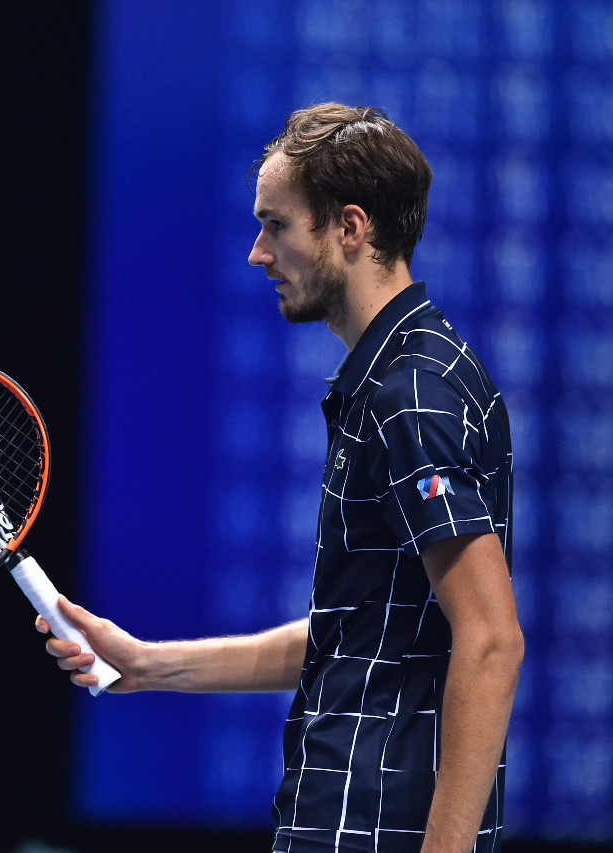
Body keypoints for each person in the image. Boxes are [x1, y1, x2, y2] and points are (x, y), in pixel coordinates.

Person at [38, 104, 523, 852]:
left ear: (351, 228)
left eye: (277, 225)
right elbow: (356, 636)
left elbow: (491, 640)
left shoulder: (411, 393)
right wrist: (145, 664)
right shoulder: (400, 377)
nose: (257, 253)